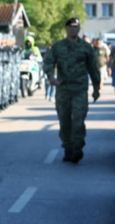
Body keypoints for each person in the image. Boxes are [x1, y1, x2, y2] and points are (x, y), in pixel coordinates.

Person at [42, 17, 100, 163]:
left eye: (76, 26)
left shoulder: (86, 47)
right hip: (63, 90)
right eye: (70, 26)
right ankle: (68, 148)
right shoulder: (58, 46)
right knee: (65, 120)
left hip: (80, 89)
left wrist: (96, 87)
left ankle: (77, 148)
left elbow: (93, 68)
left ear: (79, 28)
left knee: (79, 119)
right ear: (66, 28)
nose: (73, 29)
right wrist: (50, 76)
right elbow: (48, 62)